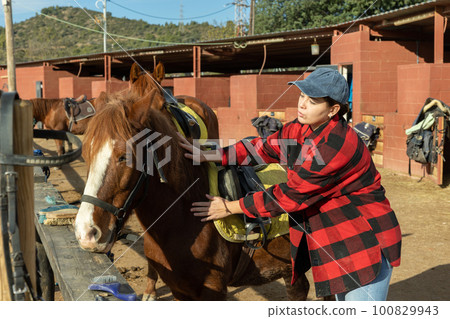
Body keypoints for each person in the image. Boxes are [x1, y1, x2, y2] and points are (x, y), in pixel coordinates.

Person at [178, 68, 401, 301]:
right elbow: (263, 148)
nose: (302, 104)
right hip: (334, 237)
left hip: (361, 243)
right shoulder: (302, 128)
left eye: (312, 101)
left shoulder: (335, 146)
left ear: (333, 110)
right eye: (302, 96)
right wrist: (210, 154)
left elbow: (290, 195)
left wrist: (229, 207)